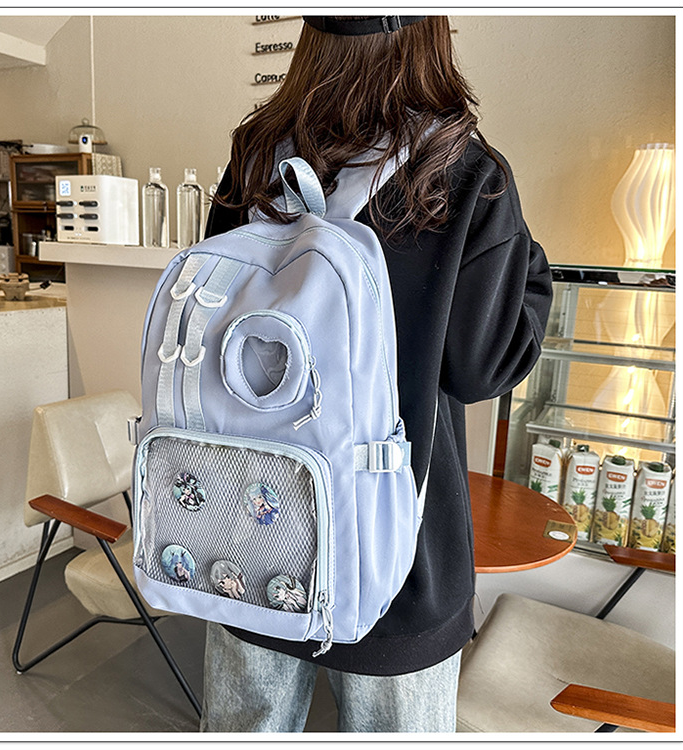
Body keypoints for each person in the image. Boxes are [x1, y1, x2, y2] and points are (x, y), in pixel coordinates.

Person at [200, 15, 553, 733]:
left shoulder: (256, 161)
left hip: (255, 525)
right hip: (400, 554)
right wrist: (527, 262)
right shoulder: (462, 171)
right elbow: (484, 368)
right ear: (428, 34)